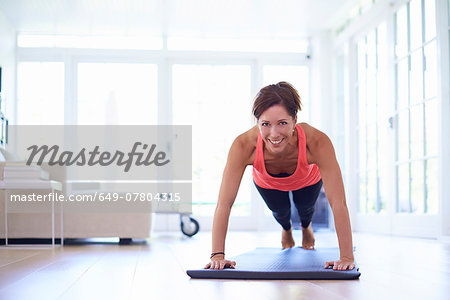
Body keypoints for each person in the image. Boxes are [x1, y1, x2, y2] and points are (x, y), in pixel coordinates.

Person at [204, 82, 355, 271]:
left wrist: (347, 257)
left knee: (306, 208)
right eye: (265, 124)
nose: (274, 134)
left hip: (307, 179)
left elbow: (338, 202)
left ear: (294, 120)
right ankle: (286, 229)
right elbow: (224, 203)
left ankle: (306, 227)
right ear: (257, 123)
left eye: (282, 123)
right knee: (280, 211)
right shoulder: (243, 145)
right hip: (268, 182)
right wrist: (217, 255)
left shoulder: (316, 141)